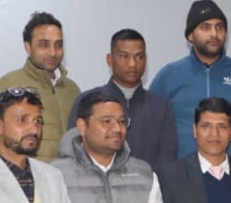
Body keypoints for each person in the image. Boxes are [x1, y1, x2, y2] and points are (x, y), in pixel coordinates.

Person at [151, 0, 231, 160]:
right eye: (205, 27)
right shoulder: (168, 76)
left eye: (219, 27)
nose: (214, 34)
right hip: (182, 171)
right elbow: (152, 128)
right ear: (190, 35)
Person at [65, 28, 177, 166]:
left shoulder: (161, 106)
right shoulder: (87, 101)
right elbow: (73, 152)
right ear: (110, 59)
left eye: (139, 57)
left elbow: (167, 160)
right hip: (94, 179)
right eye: (124, 56)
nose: (132, 64)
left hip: (147, 179)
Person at [0, 12, 82, 162]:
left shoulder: (72, 90)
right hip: (26, 175)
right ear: (28, 47)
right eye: (44, 44)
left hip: (68, 175)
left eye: (58, 45)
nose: (53, 52)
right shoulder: (9, 84)